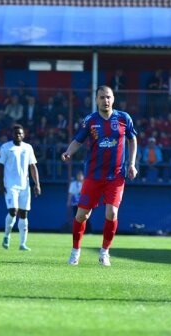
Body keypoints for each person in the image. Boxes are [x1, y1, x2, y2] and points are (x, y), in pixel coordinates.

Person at [61, 85, 138, 267]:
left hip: (116, 175)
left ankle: (104, 252)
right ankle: (75, 251)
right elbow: (78, 140)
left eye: (109, 97)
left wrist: (132, 163)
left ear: (113, 98)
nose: (106, 101)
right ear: (96, 100)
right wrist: (68, 152)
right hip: (93, 176)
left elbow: (132, 139)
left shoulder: (123, 118)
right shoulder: (90, 121)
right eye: (102, 97)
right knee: (81, 216)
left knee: (112, 213)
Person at [0, 124, 41, 252]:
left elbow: (33, 166)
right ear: (13, 135)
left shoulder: (28, 148)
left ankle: (23, 243)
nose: (18, 135)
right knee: (13, 211)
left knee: (24, 214)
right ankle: (7, 235)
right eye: (16, 133)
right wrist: (0, 184)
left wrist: (37, 184)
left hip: (24, 186)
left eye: (20, 133)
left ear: (24, 135)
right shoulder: (6, 147)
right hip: (10, 185)